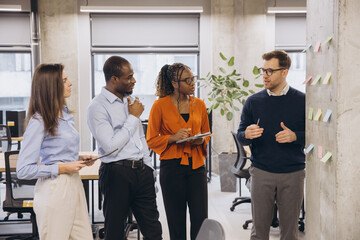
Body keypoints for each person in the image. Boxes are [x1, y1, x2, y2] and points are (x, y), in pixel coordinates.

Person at [87, 56, 162, 240]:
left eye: (133, 76)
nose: (134, 80)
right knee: (115, 232)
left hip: (142, 172)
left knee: (153, 231)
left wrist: (148, 166)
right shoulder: (97, 107)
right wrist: (133, 118)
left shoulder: (130, 101)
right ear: (114, 79)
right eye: (129, 77)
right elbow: (110, 146)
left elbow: (140, 138)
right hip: (116, 173)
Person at [16, 64, 94, 240]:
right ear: (52, 87)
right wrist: (62, 168)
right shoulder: (39, 121)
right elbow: (23, 169)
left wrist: (78, 159)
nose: (70, 83)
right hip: (55, 189)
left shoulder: (65, 115)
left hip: (75, 185)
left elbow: (58, 154)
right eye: (65, 80)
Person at [237, 50, 305, 240]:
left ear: (284, 72)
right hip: (261, 172)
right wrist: (246, 134)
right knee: (259, 232)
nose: (264, 75)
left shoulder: (303, 101)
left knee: (289, 233)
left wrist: (295, 136)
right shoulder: (253, 101)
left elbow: (315, 137)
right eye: (263, 70)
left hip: (293, 174)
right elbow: (241, 136)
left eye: (270, 71)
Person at [146, 63, 211, 240]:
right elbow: (151, 139)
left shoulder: (200, 104)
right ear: (175, 83)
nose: (192, 83)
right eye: (187, 80)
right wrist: (172, 138)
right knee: (176, 222)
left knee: (200, 219)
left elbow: (207, 133)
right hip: (172, 168)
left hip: (197, 167)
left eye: (193, 79)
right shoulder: (159, 106)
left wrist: (201, 139)